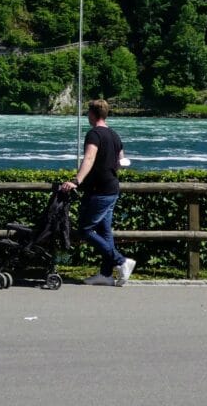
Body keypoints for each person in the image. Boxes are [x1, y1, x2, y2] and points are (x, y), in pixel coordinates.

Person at [61, 99, 135, 286]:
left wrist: (77, 180)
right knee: (104, 231)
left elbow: (89, 157)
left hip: (99, 190)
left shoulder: (94, 134)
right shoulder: (114, 135)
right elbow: (120, 162)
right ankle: (106, 274)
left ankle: (121, 261)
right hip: (112, 187)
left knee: (85, 230)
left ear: (92, 115)